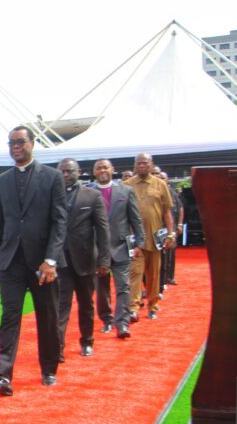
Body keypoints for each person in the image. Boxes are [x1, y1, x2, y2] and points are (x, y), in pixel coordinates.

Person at [0, 126, 67, 396]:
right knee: (9, 317)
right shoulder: (3, 181)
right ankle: (3, 376)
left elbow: (59, 222)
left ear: (32, 143)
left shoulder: (52, 177)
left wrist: (51, 260)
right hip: (11, 262)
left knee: (48, 315)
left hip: (43, 262)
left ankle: (49, 368)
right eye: (11, 143)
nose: (15, 146)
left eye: (20, 142)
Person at [55, 159, 109, 360]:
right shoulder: (52, 195)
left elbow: (103, 229)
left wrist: (104, 260)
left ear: (79, 172)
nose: (66, 174)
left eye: (70, 171)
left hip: (86, 260)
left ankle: (87, 340)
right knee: (60, 306)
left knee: (86, 304)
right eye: (62, 171)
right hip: (60, 261)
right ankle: (57, 346)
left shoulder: (92, 196)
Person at [89, 159, 144, 339]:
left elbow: (135, 219)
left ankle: (122, 324)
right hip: (97, 250)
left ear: (113, 169)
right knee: (102, 289)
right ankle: (107, 320)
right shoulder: (88, 192)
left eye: (105, 167)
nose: (102, 170)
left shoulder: (126, 191)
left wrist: (139, 243)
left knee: (123, 286)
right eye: (99, 168)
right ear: (94, 171)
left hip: (121, 247)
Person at [124, 153, 175, 321]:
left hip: (155, 238)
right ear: (134, 165)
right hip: (134, 239)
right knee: (135, 273)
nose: (141, 166)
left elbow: (167, 212)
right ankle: (133, 307)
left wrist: (171, 233)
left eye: (145, 163)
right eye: (138, 163)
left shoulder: (160, 185)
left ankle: (153, 305)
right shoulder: (126, 185)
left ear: (151, 165)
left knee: (153, 275)